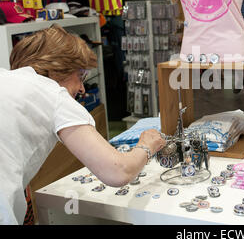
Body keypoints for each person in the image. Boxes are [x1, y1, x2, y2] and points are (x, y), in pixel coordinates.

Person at [0, 25, 166, 224]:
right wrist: (146, 145)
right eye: (80, 76)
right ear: (56, 67)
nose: (81, 89)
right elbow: (119, 171)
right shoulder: (53, 94)